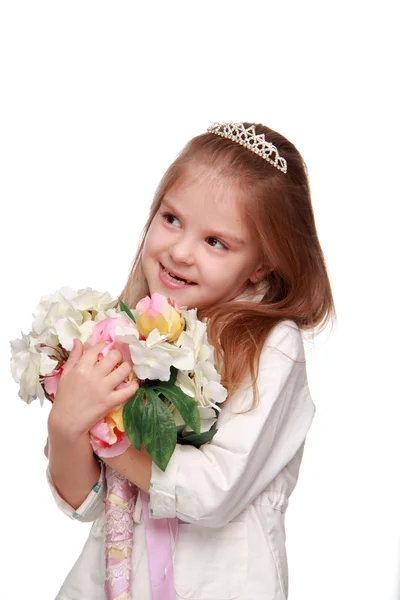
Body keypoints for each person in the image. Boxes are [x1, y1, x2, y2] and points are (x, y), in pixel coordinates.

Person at [46, 122, 335, 600]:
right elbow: (85, 502)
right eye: (172, 219)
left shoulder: (271, 347)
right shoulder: (127, 329)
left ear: (262, 264)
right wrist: (67, 426)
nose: (179, 251)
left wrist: (107, 434)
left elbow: (212, 492)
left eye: (216, 242)